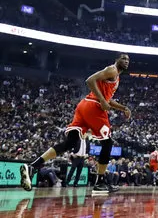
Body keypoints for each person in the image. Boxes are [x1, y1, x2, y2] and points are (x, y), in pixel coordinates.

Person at [20, 53, 131, 195]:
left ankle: (33, 166)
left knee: (70, 143)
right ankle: (100, 183)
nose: (126, 61)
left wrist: (123, 108)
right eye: (123, 58)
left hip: (84, 106)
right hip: (93, 106)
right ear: (117, 60)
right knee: (107, 143)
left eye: (128, 59)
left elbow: (108, 99)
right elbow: (90, 80)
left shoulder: (116, 77)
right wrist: (102, 100)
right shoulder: (112, 70)